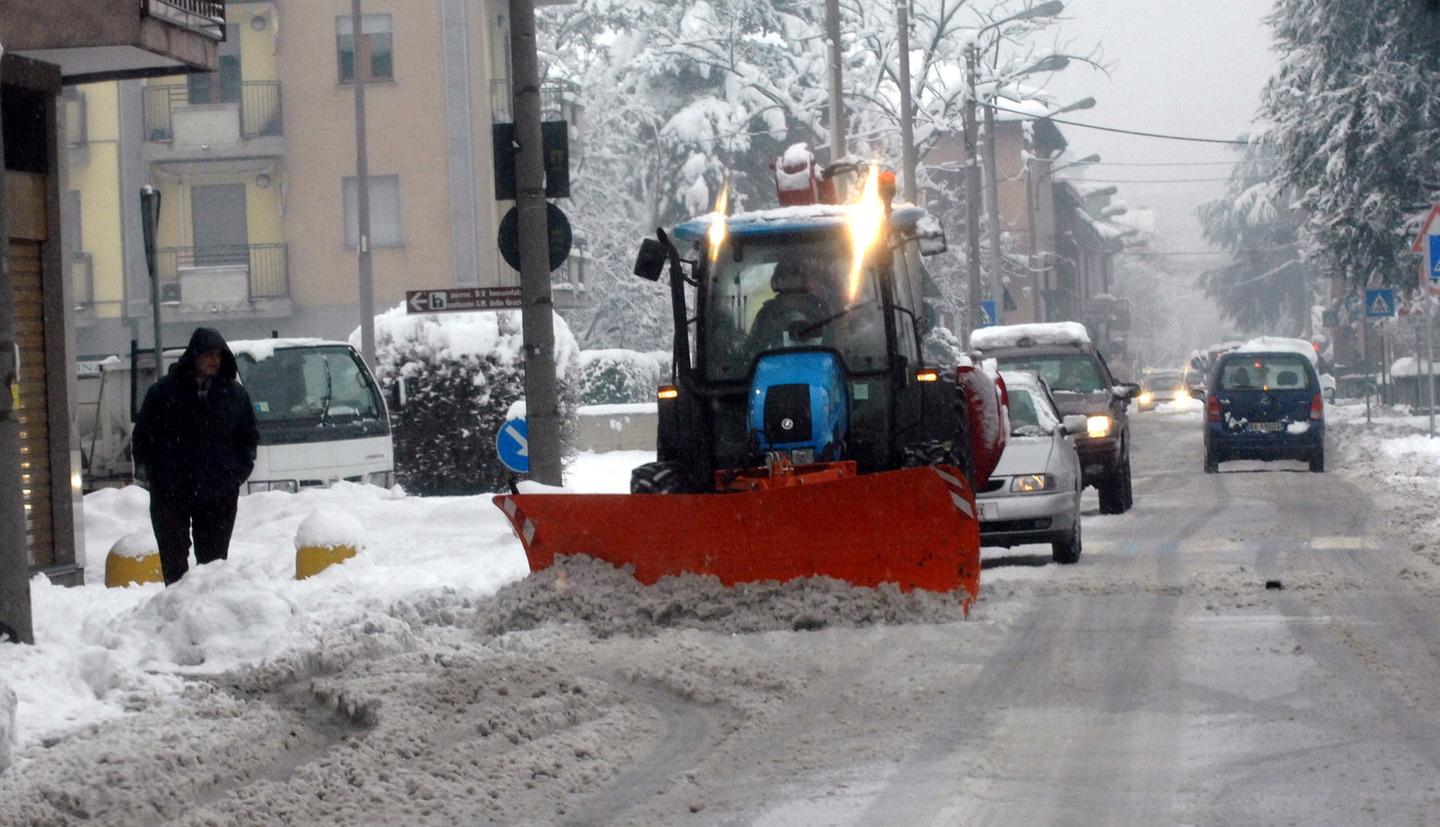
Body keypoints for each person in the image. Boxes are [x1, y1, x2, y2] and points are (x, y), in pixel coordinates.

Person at [132, 328, 259, 585]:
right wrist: (153, 473)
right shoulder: (164, 393)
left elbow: (247, 439)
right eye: (208, 354)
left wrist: (235, 475)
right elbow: (144, 436)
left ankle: (208, 615)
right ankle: (177, 614)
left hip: (218, 492)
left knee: (213, 565)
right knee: (174, 561)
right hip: (171, 491)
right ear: (194, 356)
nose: (214, 360)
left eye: (218, 355)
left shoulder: (233, 396)